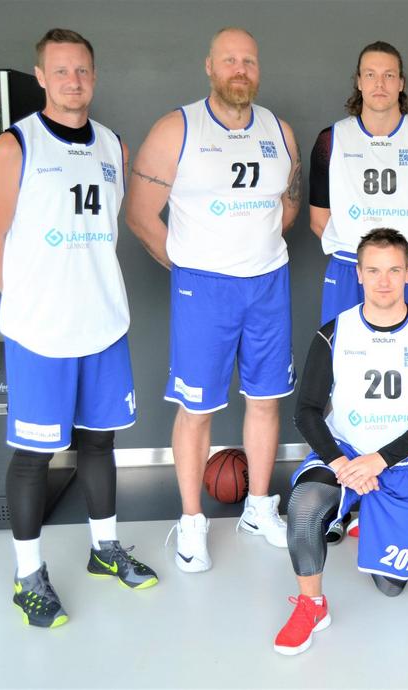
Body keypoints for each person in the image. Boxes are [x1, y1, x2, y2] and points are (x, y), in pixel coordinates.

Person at [0, 28, 157, 628]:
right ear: (41, 77)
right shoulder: (15, 146)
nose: (72, 81)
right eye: (60, 71)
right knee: (34, 456)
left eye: (81, 70)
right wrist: (31, 306)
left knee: (99, 443)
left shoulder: (113, 146)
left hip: (103, 324)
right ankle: (28, 576)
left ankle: (105, 549)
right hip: (41, 334)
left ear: (94, 76)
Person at [126, 27, 302, 572]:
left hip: (267, 282)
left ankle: (258, 507)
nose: (240, 69)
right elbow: (139, 214)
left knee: (267, 399)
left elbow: (288, 203)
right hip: (204, 288)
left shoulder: (279, 131)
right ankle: (191, 522)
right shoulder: (176, 128)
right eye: (229, 60)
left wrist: (254, 246)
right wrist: (188, 267)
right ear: (209, 66)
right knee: (197, 408)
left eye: (249, 60)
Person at [275, 229, 408, 655]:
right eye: (373, 271)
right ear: (358, 274)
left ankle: (368, 516)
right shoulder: (335, 332)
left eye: (393, 270)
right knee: (304, 507)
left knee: (390, 587)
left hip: (401, 463)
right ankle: (311, 606)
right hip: (346, 453)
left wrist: (380, 460)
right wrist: (340, 463)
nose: (383, 281)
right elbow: (306, 411)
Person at [309, 40, 408, 324]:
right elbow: (318, 219)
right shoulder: (331, 140)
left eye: (389, 75)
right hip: (350, 268)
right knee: (344, 350)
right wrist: (369, 265)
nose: (380, 84)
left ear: (401, 83)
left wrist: (400, 263)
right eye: (370, 74)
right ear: (358, 82)